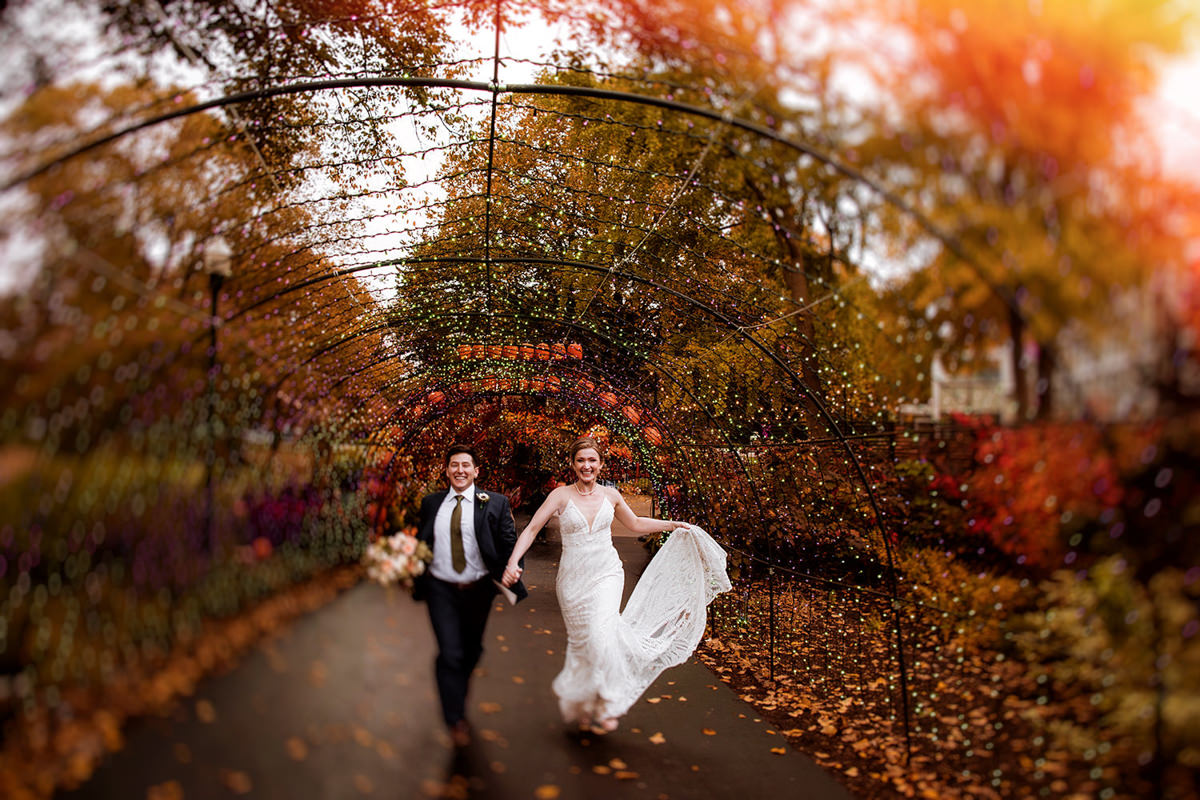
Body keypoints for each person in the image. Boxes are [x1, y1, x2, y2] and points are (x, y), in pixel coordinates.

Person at [502, 436, 730, 733]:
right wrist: (513, 562)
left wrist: (672, 525)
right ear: (572, 464)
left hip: (607, 574)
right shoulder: (560, 496)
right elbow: (532, 528)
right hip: (572, 581)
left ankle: (606, 704)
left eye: (592, 460)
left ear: (601, 464)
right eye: (581, 460)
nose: (587, 465)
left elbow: (635, 523)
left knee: (601, 637)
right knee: (585, 644)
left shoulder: (611, 495)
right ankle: (587, 704)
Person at [414, 444, 527, 747]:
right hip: (441, 589)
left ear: (476, 471)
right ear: (446, 470)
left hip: (478, 590)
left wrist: (514, 569)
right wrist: (406, 567)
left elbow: (508, 543)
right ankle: (455, 718)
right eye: (454, 465)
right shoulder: (431, 504)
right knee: (450, 652)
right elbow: (420, 544)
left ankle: (457, 692)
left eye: (466, 465)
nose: (460, 470)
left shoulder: (495, 503)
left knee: (471, 650)